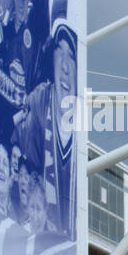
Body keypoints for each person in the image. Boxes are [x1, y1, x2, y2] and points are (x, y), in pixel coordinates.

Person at [12, 21, 77, 239]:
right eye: (60, 53)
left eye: (71, 57)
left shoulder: (82, 130)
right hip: (38, 244)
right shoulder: (41, 101)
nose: (65, 67)